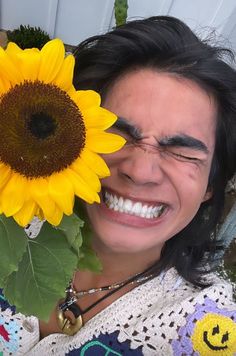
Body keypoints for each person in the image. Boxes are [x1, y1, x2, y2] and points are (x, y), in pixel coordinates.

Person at [1, 15, 236, 355]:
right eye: (117, 134)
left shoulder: (202, 330)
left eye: (182, 153)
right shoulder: (12, 218)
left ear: (210, 187)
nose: (140, 171)